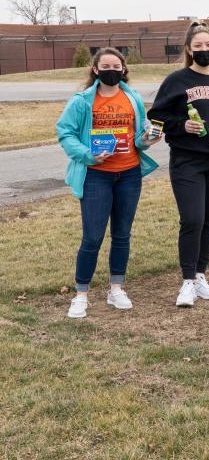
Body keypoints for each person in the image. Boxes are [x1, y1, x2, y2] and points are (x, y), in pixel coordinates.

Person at [56, 47, 160, 318]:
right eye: (106, 66)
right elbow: (65, 132)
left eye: (117, 66)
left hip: (128, 174)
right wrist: (87, 155)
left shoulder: (133, 97)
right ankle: (81, 294)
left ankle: (116, 288)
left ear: (124, 70)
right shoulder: (82, 101)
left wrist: (147, 139)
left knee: (122, 234)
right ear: (95, 70)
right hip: (95, 176)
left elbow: (139, 136)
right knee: (92, 236)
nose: (111, 70)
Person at [148, 21, 209, 308]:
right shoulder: (177, 80)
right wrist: (180, 125)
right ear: (189, 49)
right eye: (198, 46)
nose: (204, 50)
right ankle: (187, 281)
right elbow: (157, 117)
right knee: (192, 220)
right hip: (187, 160)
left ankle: (201, 276)